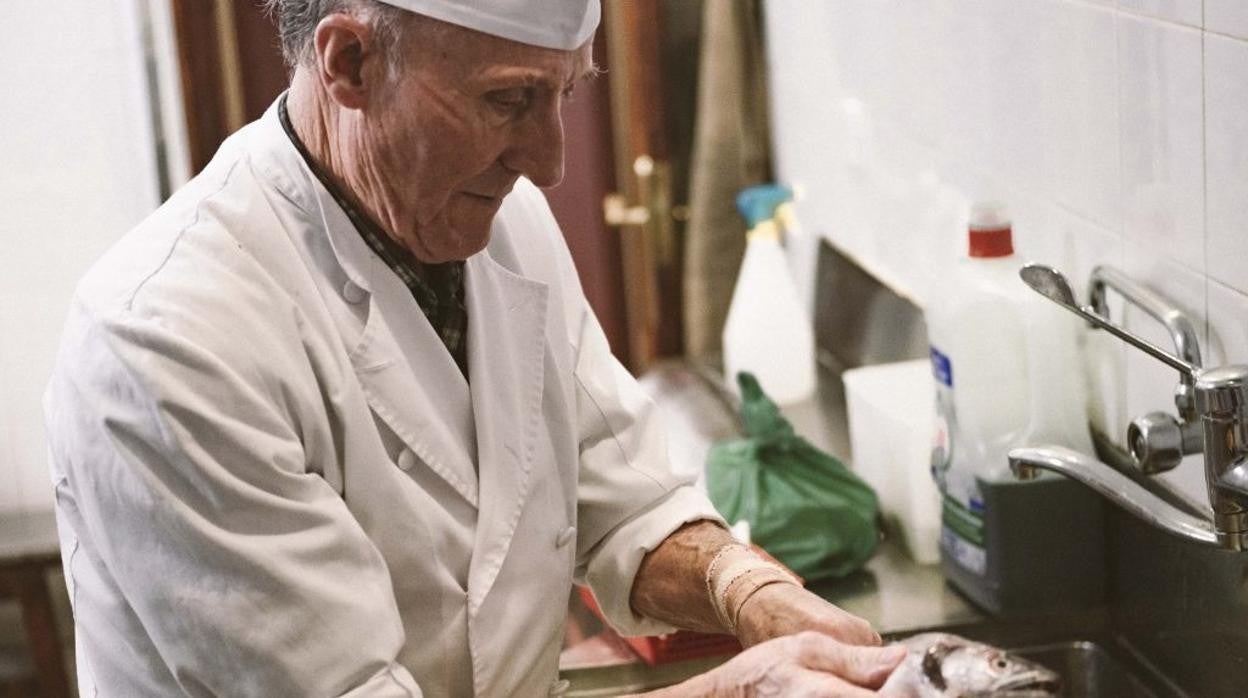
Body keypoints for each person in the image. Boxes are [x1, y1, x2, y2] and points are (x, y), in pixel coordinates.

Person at [43, 0, 905, 695]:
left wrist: (748, 590)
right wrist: (737, 692)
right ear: (348, 63)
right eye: (508, 101)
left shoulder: (499, 221)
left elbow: (619, 492)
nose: (549, 162)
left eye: (564, 95)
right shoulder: (165, 339)